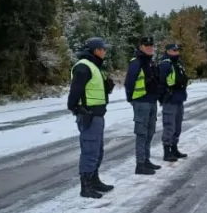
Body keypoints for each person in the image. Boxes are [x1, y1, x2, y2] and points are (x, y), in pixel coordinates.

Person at [67, 37, 116, 198]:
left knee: (97, 151)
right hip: (89, 115)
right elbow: (74, 93)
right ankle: (86, 186)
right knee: (90, 151)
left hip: (97, 115)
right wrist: (78, 110)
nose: (105, 51)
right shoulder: (83, 67)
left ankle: (94, 180)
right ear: (96, 50)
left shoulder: (95, 67)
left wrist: (106, 88)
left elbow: (91, 90)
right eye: (103, 49)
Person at [124, 35, 164, 175]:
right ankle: (140, 164)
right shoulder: (136, 62)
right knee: (141, 134)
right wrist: (132, 99)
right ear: (140, 47)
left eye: (151, 45)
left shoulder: (151, 62)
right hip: (141, 102)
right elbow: (129, 83)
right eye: (146, 45)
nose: (149, 47)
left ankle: (146, 160)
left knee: (150, 133)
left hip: (152, 102)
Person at [158, 42, 189, 161]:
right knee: (169, 125)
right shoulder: (165, 64)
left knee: (177, 126)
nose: (176, 52)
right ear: (168, 51)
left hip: (179, 98)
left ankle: (174, 148)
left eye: (177, 50)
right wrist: (164, 96)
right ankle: (167, 152)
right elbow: (161, 82)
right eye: (174, 50)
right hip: (170, 99)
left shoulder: (178, 64)